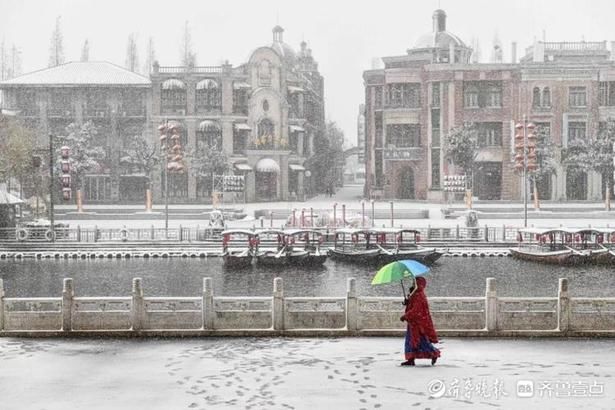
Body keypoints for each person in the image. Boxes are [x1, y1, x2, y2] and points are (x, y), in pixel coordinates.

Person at [399, 276, 440, 366]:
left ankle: (434, 354)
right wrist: (407, 302)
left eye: (415, 283)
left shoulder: (419, 295)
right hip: (413, 323)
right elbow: (412, 305)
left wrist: (405, 316)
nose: (414, 284)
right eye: (414, 283)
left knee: (421, 341)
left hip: (418, 324)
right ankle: (411, 359)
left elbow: (416, 310)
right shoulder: (415, 294)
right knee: (410, 341)